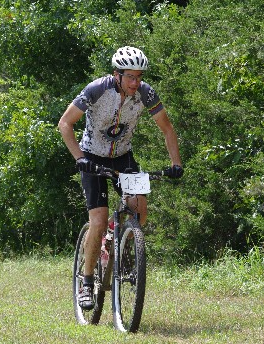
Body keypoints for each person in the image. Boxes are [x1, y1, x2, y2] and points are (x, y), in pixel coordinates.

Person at [58, 46, 183, 310]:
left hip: (123, 157)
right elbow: (65, 123)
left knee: (139, 208)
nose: (136, 83)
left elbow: (167, 128)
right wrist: (79, 158)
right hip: (92, 157)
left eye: (139, 77)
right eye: (130, 77)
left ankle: (119, 241)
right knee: (99, 220)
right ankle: (88, 282)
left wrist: (176, 163)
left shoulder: (146, 94)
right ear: (117, 74)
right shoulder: (97, 89)